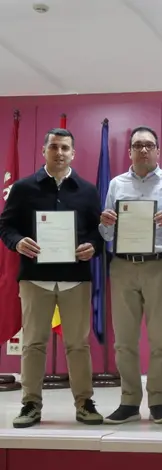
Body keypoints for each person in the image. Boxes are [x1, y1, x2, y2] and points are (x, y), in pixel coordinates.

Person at [0, 128, 104, 427]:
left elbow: (98, 231)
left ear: (73, 153)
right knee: (33, 343)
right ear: (44, 150)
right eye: (54, 147)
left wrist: (93, 246)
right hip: (35, 278)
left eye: (66, 148)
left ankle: (84, 402)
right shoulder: (23, 188)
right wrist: (17, 242)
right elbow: (5, 226)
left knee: (78, 344)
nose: (60, 153)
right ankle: (30, 403)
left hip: (75, 279)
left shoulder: (87, 190)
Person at [100, 126, 162, 425]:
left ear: (158, 150)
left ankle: (159, 402)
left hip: (160, 265)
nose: (143, 150)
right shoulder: (116, 184)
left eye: (149, 145)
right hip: (122, 266)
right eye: (137, 145)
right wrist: (106, 223)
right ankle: (129, 401)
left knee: (161, 340)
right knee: (124, 341)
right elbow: (106, 231)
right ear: (130, 151)